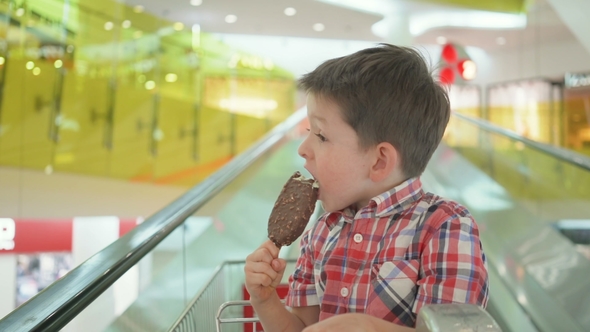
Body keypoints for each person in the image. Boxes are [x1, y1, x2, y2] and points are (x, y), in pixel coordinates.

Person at [244, 43, 489, 332]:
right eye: (308, 131)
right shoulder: (320, 235)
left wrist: (366, 327)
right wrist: (264, 300)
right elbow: (301, 328)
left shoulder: (445, 228)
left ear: (379, 161)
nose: (302, 149)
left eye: (321, 136)